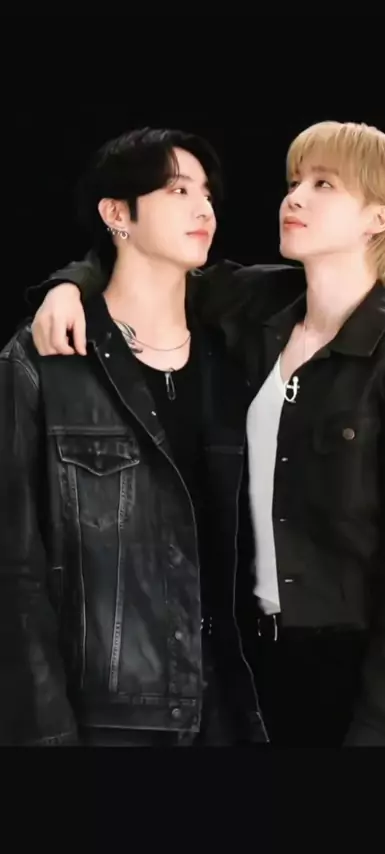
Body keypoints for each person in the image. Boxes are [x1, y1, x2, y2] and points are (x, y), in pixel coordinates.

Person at [26, 120, 385, 747]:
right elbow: (145, 263)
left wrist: (381, 729)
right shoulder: (259, 306)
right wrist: (67, 288)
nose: (294, 198)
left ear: (378, 218)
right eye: (295, 182)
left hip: (351, 672)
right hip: (245, 661)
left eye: (323, 185)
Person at [0, 127, 268, 746]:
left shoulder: (237, 353)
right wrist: (46, 733)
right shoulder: (44, 360)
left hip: (235, 708)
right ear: (117, 214)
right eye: (178, 191)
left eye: (206, 193)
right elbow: (14, 570)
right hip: (110, 720)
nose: (203, 208)